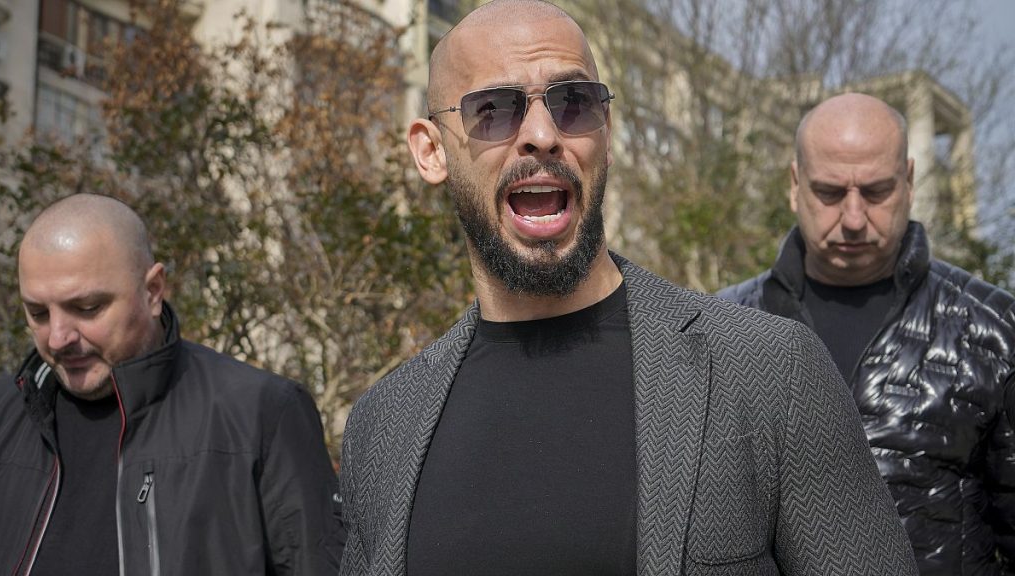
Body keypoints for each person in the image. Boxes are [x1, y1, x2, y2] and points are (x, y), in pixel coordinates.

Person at [337, 2, 916, 574]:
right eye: (494, 110)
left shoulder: (771, 372)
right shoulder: (382, 429)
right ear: (431, 150)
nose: (542, 135)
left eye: (573, 104)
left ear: (606, 133)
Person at [718, 93, 1015, 574]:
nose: (854, 219)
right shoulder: (722, 328)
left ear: (910, 182)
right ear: (795, 186)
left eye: (876, 192)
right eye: (830, 193)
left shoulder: (995, 330)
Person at [0, 193, 346, 575]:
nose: (58, 336)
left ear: (153, 291)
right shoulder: (1, 414)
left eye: (87, 308)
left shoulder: (260, 414)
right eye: (38, 313)